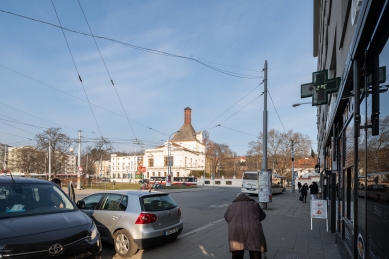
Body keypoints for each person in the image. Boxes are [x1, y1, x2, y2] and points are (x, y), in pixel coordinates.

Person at [224, 192, 267, 259]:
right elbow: (263, 216)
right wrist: (254, 221)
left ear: (237, 198)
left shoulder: (231, 206)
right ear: (248, 197)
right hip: (253, 230)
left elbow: (227, 218)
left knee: (237, 252)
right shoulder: (254, 204)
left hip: (236, 230)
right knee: (255, 249)